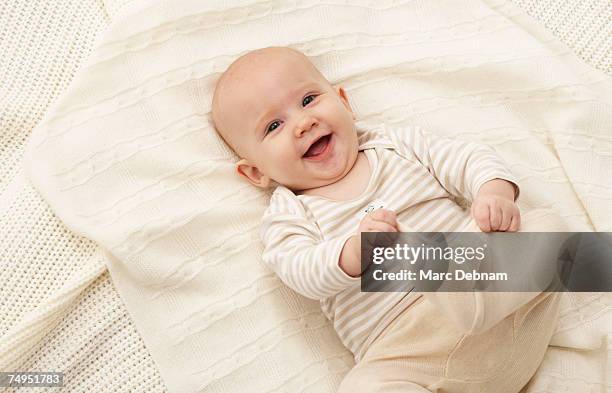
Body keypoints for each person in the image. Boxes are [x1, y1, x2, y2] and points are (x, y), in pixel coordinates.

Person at [211, 46, 560, 393]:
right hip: (406, 351)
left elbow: (466, 157)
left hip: (484, 289)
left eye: (308, 100)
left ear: (344, 102)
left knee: (549, 228)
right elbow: (300, 269)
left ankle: (469, 300)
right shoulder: (289, 214)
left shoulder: (394, 144)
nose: (303, 123)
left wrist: (493, 193)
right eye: (274, 125)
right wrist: (352, 253)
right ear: (255, 172)